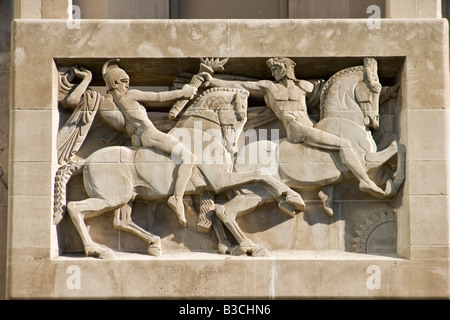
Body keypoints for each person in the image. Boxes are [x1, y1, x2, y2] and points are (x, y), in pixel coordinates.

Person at [201, 57, 385, 197]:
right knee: (344, 145)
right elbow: (240, 85)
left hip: (312, 127)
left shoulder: (304, 87)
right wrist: (214, 81)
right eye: (273, 70)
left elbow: (337, 95)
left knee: (335, 149)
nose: (275, 72)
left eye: (278, 68)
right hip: (296, 129)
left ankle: (326, 189)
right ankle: (365, 181)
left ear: (288, 68)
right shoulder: (269, 87)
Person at [101, 59, 198, 226]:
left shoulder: (114, 104)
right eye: (124, 82)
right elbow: (158, 97)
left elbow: (124, 126)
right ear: (114, 83)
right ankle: (176, 198)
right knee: (189, 158)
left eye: (128, 82)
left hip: (138, 140)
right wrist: (183, 92)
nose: (127, 86)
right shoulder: (129, 96)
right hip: (150, 135)